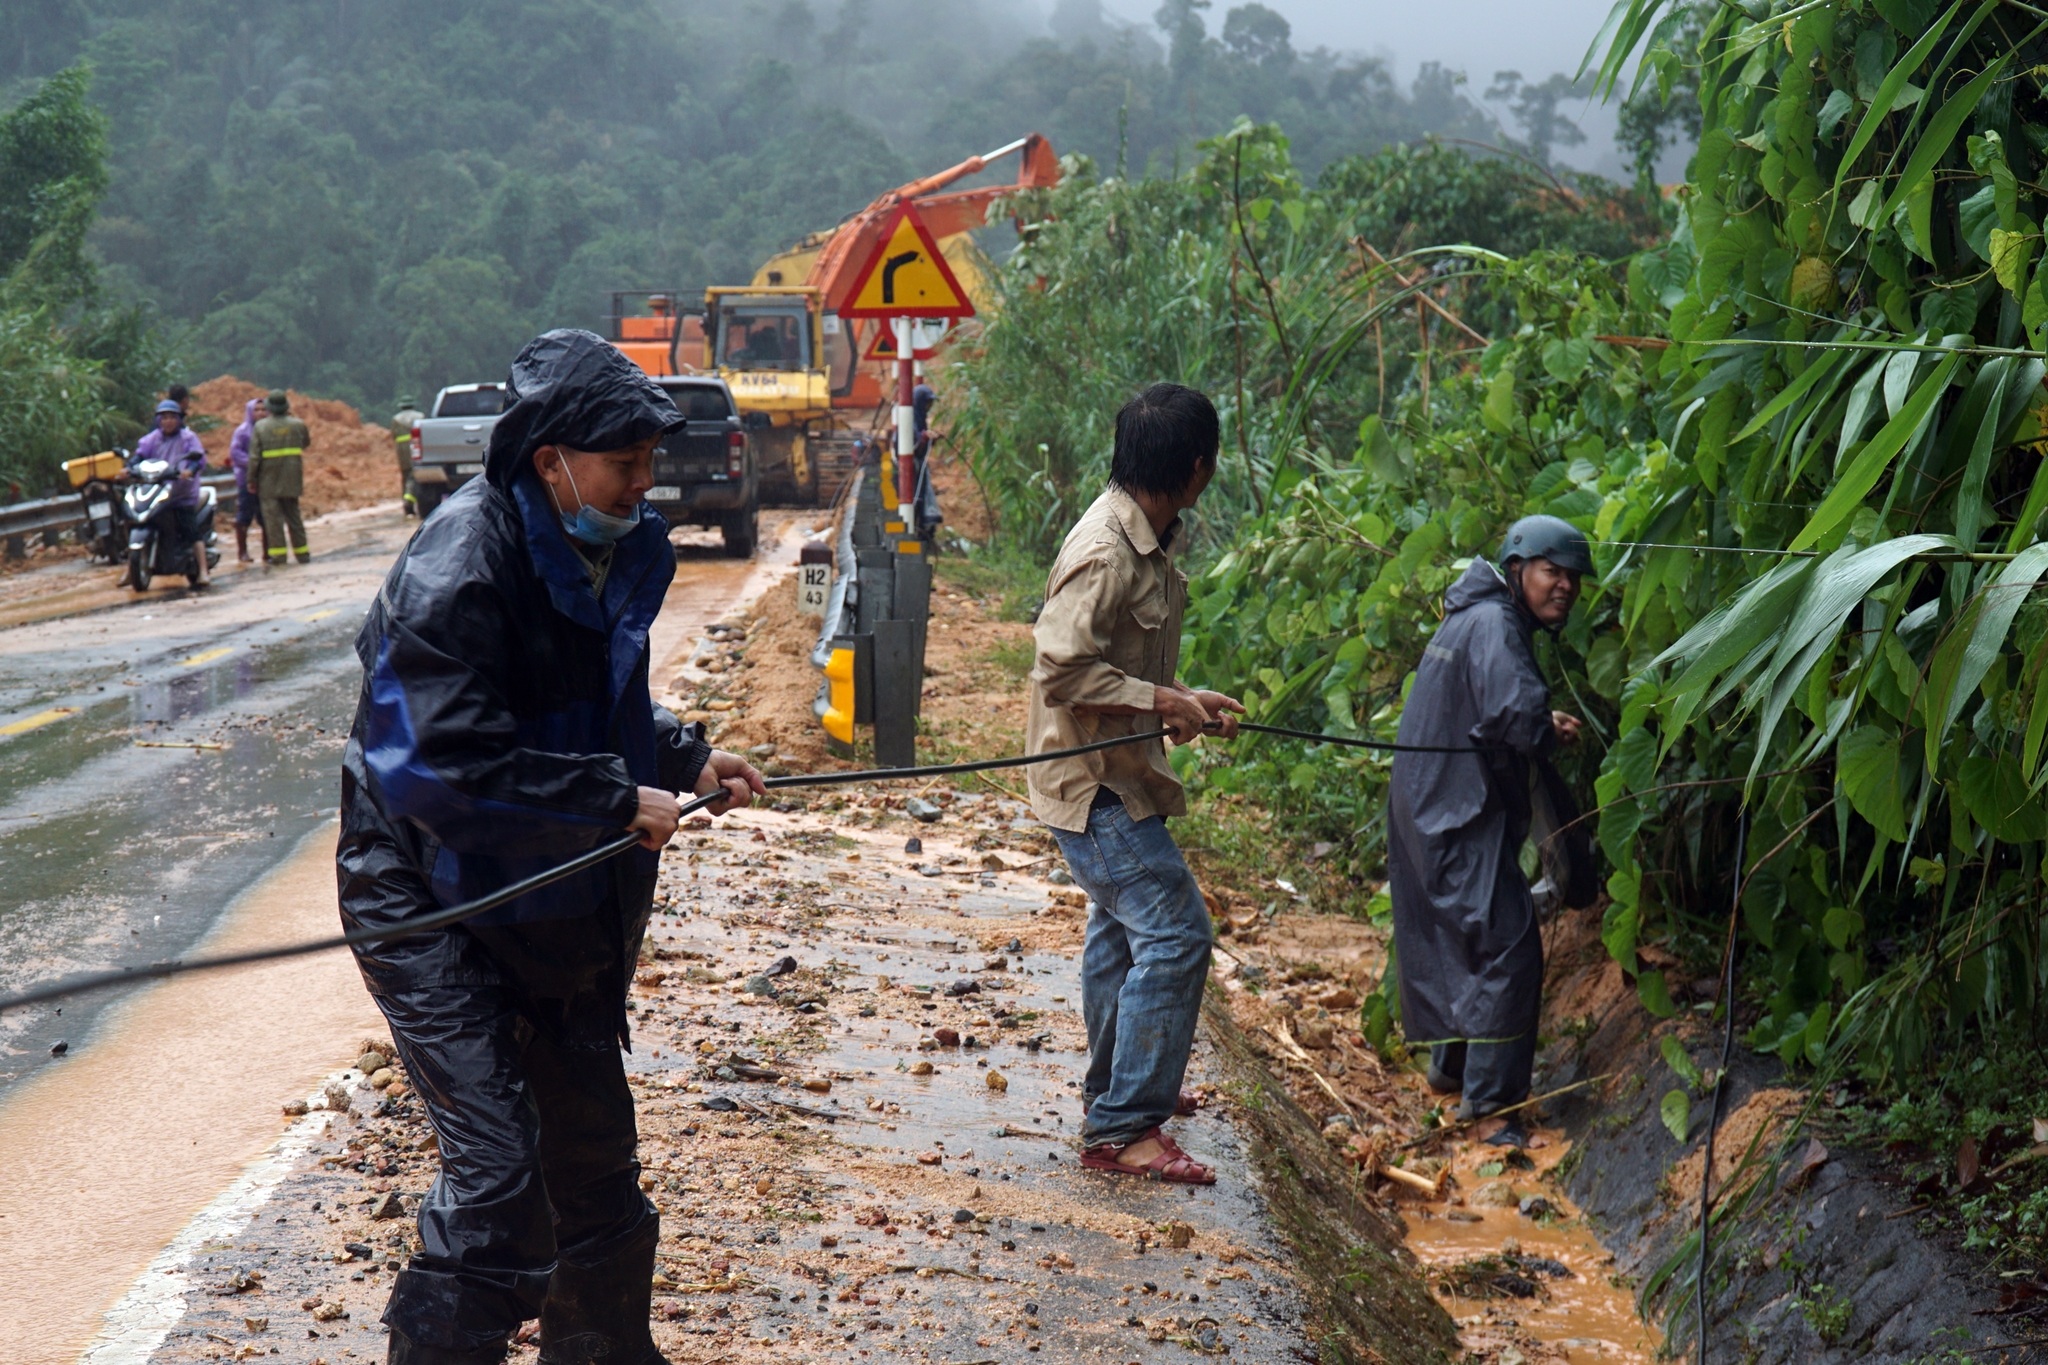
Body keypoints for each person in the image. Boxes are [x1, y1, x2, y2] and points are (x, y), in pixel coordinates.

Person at [338, 328, 767, 1365]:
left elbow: (594, 705)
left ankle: (603, 1352)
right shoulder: (458, 565)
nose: (644, 481)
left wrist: (685, 756)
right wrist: (615, 799)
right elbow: (438, 766)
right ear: (551, 460)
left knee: (596, 1169)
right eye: (627, 462)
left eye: (649, 461)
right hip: (429, 894)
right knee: (498, 1189)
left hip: (549, 888)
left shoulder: (607, 543)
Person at [1027, 382, 1243, 1187]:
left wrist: (1185, 697)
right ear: (1197, 468)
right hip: (1093, 787)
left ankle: (1117, 1089)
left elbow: (1121, 660)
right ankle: (1122, 1128)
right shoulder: (1107, 551)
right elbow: (1061, 667)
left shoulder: (1142, 535)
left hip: (1117, 772)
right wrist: (1158, 700)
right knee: (1178, 932)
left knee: (1120, 931)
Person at [1384, 514, 1591, 1150]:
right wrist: (1539, 725)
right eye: (1552, 572)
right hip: (1453, 813)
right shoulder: (1498, 623)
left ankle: (1449, 1073)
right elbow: (1511, 712)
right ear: (1518, 568)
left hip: (1430, 806)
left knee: (1467, 934)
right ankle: (1493, 1109)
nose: (1564, 587)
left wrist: (1534, 719)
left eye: (1572, 578)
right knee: (1508, 943)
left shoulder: (1476, 616)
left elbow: (1496, 704)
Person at [129, 398, 210, 585]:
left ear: (179, 419)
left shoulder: (188, 438)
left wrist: (189, 470)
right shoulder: (152, 439)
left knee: (190, 530)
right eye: (164, 417)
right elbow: (139, 456)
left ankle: (203, 570)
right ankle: (130, 569)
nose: (168, 421)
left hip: (181, 494)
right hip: (157, 491)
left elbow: (198, 459)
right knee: (138, 519)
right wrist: (130, 468)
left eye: (172, 417)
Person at [249, 389, 311, 565]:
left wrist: (251, 479)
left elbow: (254, 457)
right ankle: (302, 554)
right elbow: (305, 442)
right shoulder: (298, 424)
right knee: (294, 518)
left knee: (273, 521)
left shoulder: (260, 427)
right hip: (292, 478)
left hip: (268, 481)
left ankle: (279, 556)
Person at [228, 397, 264, 563]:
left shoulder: (269, 430)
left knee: (266, 516)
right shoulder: (242, 432)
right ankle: (242, 552)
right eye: (256, 410)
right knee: (244, 515)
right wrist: (254, 463)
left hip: (266, 480)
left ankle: (268, 551)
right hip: (246, 480)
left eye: (264, 410)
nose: (260, 413)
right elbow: (235, 453)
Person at [392, 395, 427, 516]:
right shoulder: (420, 416)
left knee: (406, 476)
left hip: (402, 451)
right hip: (417, 447)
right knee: (416, 475)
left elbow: (394, 435)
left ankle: (407, 504)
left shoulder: (396, 419)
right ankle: (412, 502)